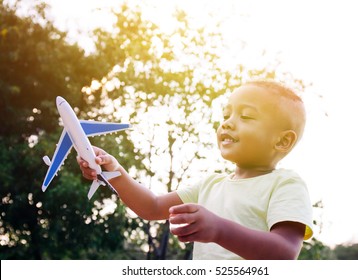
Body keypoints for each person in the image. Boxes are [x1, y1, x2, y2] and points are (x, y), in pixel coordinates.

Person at [77, 80, 313, 260]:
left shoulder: (286, 184)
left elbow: (285, 252)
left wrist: (219, 229)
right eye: (226, 115)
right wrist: (114, 170)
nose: (228, 122)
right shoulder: (211, 185)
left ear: (282, 142)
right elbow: (152, 207)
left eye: (246, 116)